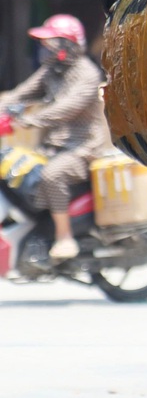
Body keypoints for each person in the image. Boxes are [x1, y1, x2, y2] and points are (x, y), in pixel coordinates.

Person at [0, 14, 111, 260]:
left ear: (67, 45)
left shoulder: (87, 75)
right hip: (51, 147)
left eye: (50, 43)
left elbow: (65, 110)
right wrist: (3, 109)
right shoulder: (50, 71)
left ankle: (65, 238)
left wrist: (23, 121)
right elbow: (19, 95)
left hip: (82, 150)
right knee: (11, 168)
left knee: (52, 174)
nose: (44, 49)